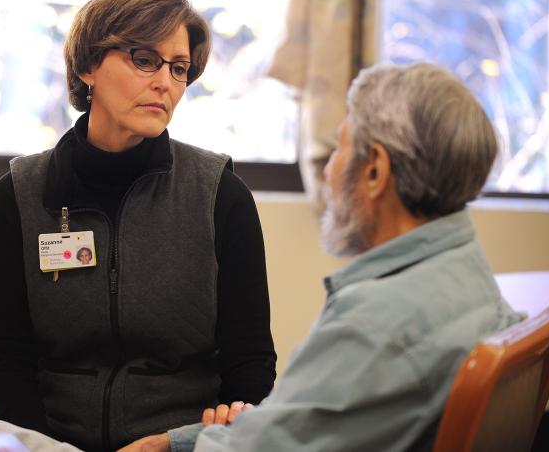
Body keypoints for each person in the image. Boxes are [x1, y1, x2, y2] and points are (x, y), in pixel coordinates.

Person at [120, 61, 526, 451]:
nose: (330, 171)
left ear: (374, 172)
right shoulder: (466, 271)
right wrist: (176, 443)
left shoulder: (376, 323)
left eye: (339, 148)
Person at [0, 0, 276, 452]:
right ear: (87, 66)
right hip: (52, 442)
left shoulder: (220, 194)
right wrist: (42, 445)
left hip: (178, 442)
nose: (165, 83)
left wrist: (192, 438)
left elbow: (250, 362)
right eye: (144, 60)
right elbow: (6, 354)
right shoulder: (19, 194)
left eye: (179, 69)